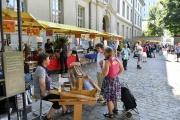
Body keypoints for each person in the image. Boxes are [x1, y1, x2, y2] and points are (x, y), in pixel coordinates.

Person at [33, 53, 71, 120]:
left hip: (46, 90)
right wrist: (44, 93)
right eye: (48, 59)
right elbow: (42, 83)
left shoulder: (42, 68)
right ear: (44, 61)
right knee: (58, 99)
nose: (50, 60)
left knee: (60, 93)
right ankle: (48, 117)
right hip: (41, 93)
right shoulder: (41, 70)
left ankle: (64, 110)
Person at [99, 47, 124, 118]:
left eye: (105, 53)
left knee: (108, 97)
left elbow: (105, 73)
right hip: (115, 80)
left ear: (108, 53)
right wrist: (116, 74)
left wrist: (101, 66)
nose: (103, 54)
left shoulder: (108, 61)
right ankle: (115, 109)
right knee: (114, 95)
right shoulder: (116, 59)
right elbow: (122, 69)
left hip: (109, 80)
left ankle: (110, 113)